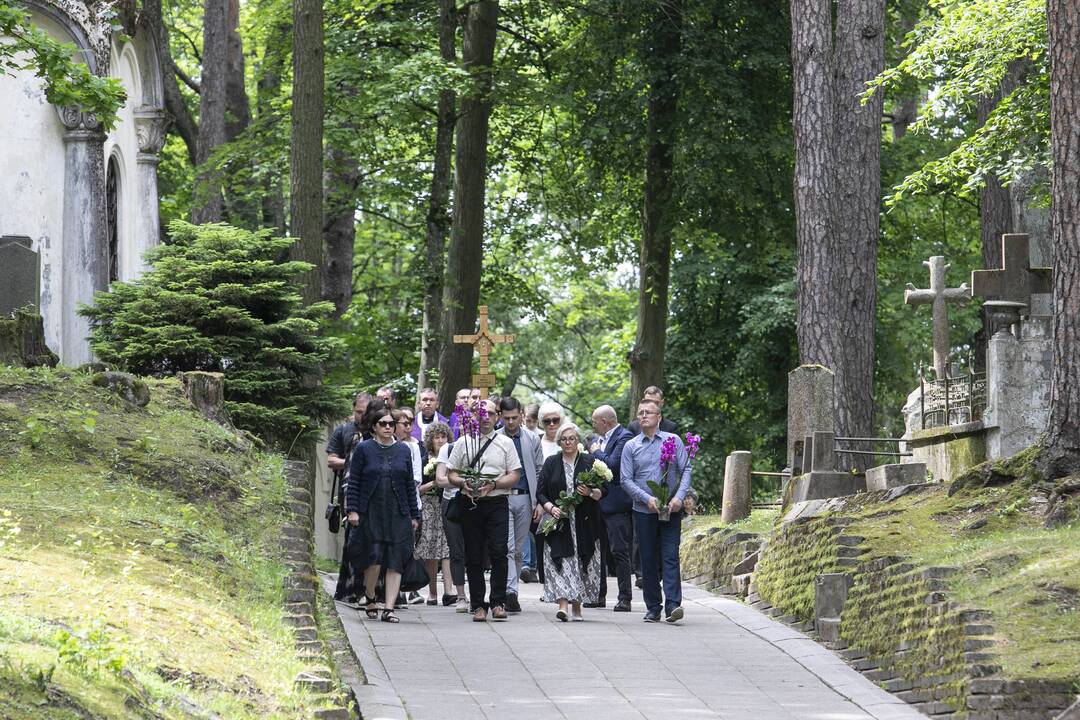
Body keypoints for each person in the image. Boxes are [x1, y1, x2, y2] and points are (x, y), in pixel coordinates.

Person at [447, 398, 521, 622]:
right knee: (474, 554)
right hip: (470, 502)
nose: (485, 418)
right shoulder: (463, 442)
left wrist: (495, 484)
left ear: (497, 416)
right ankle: (478, 604)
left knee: (499, 551)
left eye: (490, 413)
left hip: (497, 501)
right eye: (481, 414)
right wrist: (464, 484)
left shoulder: (505, 442)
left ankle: (498, 601)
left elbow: (515, 474)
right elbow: (451, 473)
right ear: (473, 417)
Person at [346, 404, 421, 624]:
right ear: (374, 427)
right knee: (374, 558)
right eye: (383, 424)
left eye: (391, 423)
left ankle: (389, 608)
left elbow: (409, 485)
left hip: (398, 512)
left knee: (396, 559)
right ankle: (370, 596)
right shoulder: (363, 449)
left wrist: (413, 515)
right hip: (371, 511)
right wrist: (353, 510)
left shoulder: (403, 450)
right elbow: (354, 482)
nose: (388, 427)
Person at [620, 398, 692, 624]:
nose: (643, 416)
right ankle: (653, 606)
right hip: (643, 511)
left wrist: (679, 498)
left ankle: (673, 605)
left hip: (671, 509)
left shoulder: (673, 440)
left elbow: (686, 469)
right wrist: (646, 498)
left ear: (659, 417)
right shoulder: (631, 446)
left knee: (670, 555)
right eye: (640, 412)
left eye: (648, 412)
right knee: (648, 558)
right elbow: (625, 480)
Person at [536, 423, 606, 622]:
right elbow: (540, 492)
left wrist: (590, 493)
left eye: (572, 438)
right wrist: (551, 508)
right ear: (559, 442)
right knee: (562, 560)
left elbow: (604, 490)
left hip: (584, 522)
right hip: (559, 522)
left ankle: (577, 606)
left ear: (578, 441)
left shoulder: (588, 461)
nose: (568, 442)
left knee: (581, 561)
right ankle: (563, 606)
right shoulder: (551, 463)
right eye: (564, 439)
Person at [497, 397, 544, 613]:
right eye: (506, 418)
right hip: (502, 497)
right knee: (507, 547)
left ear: (521, 414)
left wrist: (539, 502)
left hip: (526, 497)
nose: (511, 422)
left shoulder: (532, 438)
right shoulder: (495, 438)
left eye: (515, 417)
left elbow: (539, 469)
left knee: (518, 548)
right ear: (500, 416)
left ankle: (512, 590)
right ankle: (508, 591)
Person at [328, 392, 372, 604]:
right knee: (353, 542)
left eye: (365, 413)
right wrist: (355, 462)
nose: (361, 417)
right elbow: (331, 459)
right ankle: (351, 587)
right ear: (353, 409)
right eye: (358, 412)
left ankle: (371, 590)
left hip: (374, 492)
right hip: (350, 489)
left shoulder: (377, 430)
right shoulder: (343, 430)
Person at [591, 404, 634, 612]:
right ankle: (598, 594)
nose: (593, 425)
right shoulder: (600, 439)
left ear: (605, 422)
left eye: (594, 421)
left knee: (619, 551)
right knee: (598, 551)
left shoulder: (624, 437)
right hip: (597, 502)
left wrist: (596, 452)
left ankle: (625, 596)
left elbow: (613, 465)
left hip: (617, 504)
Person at [417, 423, 454, 605]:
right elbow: (417, 489)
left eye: (443, 437)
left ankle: (449, 591)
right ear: (430, 440)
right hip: (429, 506)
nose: (440, 440)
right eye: (436, 437)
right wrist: (434, 483)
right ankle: (432, 593)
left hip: (447, 505)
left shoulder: (453, 457)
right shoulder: (424, 459)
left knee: (448, 548)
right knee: (431, 550)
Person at [393, 407, 426, 605]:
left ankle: (409, 588)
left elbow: (415, 478)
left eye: (409, 424)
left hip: (409, 504)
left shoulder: (412, 447)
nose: (408, 428)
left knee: (408, 547)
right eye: (403, 424)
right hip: (388, 505)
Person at [435, 435, 470, 612]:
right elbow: (440, 480)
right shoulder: (447, 449)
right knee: (456, 551)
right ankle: (461, 596)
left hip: (477, 502)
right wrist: (464, 482)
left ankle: (479, 596)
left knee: (476, 551)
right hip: (452, 503)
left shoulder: (485, 445)